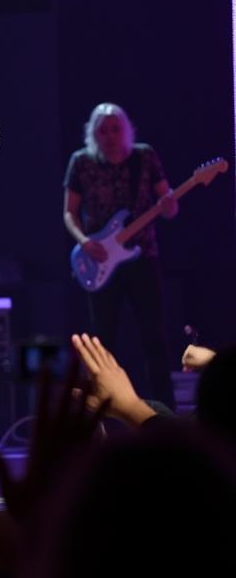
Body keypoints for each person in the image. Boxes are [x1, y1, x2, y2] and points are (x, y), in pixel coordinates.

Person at [63, 102, 177, 406]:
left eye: (115, 129)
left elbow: (169, 205)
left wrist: (169, 205)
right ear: (94, 133)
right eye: (103, 130)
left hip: (143, 257)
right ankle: (101, 410)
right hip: (99, 260)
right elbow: (69, 213)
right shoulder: (82, 162)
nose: (110, 135)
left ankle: (164, 411)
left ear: (125, 130)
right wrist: (85, 242)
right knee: (103, 339)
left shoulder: (144, 156)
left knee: (154, 337)